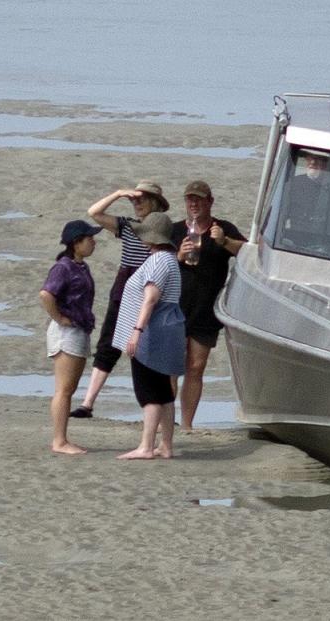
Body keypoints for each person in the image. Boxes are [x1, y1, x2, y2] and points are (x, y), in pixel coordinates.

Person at [69, 181, 170, 419]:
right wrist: (118, 193)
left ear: (155, 202)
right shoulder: (127, 225)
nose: (136, 203)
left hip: (150, 289)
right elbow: (94, 213)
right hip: (124, 287)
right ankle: (87, 403)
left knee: (152, 351)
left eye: (141, 199)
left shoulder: (166, 228)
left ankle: (160, 408)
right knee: (108, 345)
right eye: (133, 199)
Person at [171, 180, 246, 430]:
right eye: (189, 199)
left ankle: (187, 424)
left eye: (199, 199)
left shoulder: (222, 228)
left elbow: (248, 253)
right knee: (171, 364)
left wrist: (224, 241)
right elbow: (155, 262)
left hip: (205, 309)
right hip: (176, 307)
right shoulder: (175, 230)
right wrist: (178, 257)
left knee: (196, 366)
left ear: (210, 202)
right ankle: (164, 420)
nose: (193, 204)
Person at [113, 212, 185, 460]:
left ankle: (146, 446)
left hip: (153, 332)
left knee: (149, 391)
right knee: (163, 391)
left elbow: (151, 298)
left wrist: (136, 331)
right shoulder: (170, 259)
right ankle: (166, 445)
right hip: (168, 329)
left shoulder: (157, 261)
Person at [39, 220, 102, 455]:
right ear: (76, 243)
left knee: (69, 388)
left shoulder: (80, 266)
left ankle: (61, 438)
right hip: (67, 332)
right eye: (89, 238)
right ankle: (59, 440)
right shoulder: (63, 267)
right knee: (64, 389)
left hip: (79, 330)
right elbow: (46, 294)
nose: (94, 242)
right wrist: (60, 318)